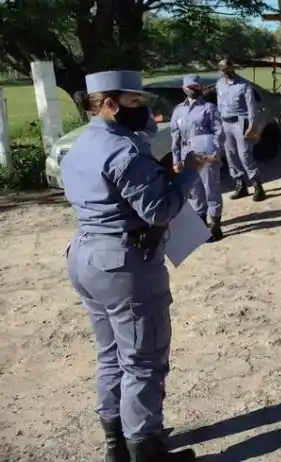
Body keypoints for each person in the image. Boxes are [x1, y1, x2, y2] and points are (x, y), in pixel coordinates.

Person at [62, 71, 207, 462]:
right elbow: (159, 210)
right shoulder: (124, 150)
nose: (144, 110)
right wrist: (191, 170)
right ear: (109, 104)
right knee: (143, 363)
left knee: (111, 355)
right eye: (134, 102)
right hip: (123, 266)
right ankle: (146, 451)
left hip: (85, 256)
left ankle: (117, 447)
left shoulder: (81, 144)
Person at [170, 74, 225, 241]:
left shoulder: (209, 108)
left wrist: (216, 152)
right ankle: (200, 223)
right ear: (184, 88)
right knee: (194, 191)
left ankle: (215, 224)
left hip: (206, 154)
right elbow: (175, 136)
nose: (194, 90)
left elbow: (219, 132)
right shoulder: (178, 110)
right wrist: (176, 159)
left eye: (197, 87)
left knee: (211, 189)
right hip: (188, 155)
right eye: (191, 87)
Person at [215, 58, 266, 202]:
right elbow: (220, 104)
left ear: (232, 68)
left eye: (228, 69)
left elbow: (251, 108)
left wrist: (252, 126)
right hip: (226, 123)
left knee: (244, 154)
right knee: (230, 155)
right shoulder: (219, 84)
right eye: (223, 70)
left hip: (240, 122)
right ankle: (240, 184)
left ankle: (257, 185)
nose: (226, 73)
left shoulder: (244, 85)